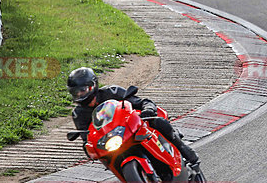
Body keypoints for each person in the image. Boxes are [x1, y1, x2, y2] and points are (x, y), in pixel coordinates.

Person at [67, 67, 200, 167]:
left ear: (93, 85)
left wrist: (148, 109)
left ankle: (184, 149)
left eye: (82, 90)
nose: (79, 95)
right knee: (105, 159)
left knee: (156, 121)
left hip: (132, 126)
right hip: (111, 140)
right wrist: (88, 148)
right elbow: (87, 138)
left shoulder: (112, 91)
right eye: (76, 92)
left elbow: (140, 101)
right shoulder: (78, 114)